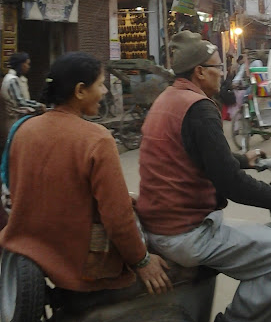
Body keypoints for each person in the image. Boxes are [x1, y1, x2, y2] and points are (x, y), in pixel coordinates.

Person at [136, 31, 271, 322]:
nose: (222, 73)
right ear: (200, 71)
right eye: (218, 67)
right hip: (186, 232)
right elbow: (231, 185)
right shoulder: (199, 107)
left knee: (254, 236)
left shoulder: (168, 99)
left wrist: (242, 159)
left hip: (160, 223)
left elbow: (195, 154)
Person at [0, 52, 171, 295]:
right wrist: (142, 261)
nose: (105, 91)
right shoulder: (97, 138)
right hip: (78, 264)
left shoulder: (23, 130)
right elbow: (117, 219)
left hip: (28, 248)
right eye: (100, 84)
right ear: (80, 91)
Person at [1, 52, 45, 130]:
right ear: (21, 64)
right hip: (15, 121)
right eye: (27, 64)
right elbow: (20, 102)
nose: (28, 67)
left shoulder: (13, 78)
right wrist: (38, 105)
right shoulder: (12, 80)